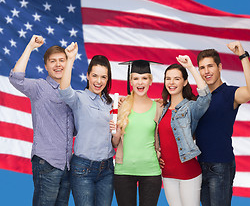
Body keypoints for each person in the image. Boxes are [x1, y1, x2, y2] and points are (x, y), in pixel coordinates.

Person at [9, 35, 74, 206]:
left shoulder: (72, 95)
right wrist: (30, 47)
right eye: (53, 61)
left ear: (68, 63)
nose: (58, 64)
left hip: (67, 166)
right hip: (47, 163)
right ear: (46, 66)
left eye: (62, 60)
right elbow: (16, 78)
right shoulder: (39, 87)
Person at [195, 41, 250, 206]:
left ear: (219, 67)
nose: (206, 71)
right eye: (202, 68)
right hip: (199, 165)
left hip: (221, 166)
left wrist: (242, 56)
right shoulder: (198, 99)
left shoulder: (230, 94)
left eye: (210, 66)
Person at [58, 42, 115, 206]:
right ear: (88, 75)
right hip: (82, 169)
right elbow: (63, 90)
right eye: (95, 75)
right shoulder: (79, 98)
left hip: (107, 169)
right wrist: (70, 59)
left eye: (103, 77)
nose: (99, 81)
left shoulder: (111, 104)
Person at [157, 55, 211, 206]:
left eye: (176, 78)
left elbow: (205, 97)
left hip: (188, 173)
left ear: (185, 81)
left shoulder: (190, 107)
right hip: (167, 174)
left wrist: (191, 68)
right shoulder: (162, 109)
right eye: (168, 78)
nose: (171, 82)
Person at [110, 60, 162, 206]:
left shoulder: (158, 107)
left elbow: (162, 139)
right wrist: (116, 131)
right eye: (136, 78)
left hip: (151, 172)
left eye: (145, 78)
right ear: (131, 81)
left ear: (150, 81)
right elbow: (114, 143)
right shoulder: (120, 107)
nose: (140, 83)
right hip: (124, 171)